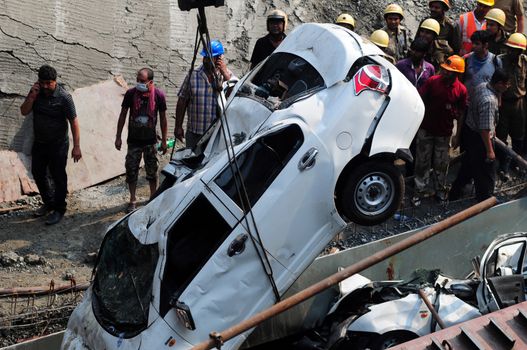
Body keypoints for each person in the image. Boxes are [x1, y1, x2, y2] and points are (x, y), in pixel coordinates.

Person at [20, 65, 82, 225]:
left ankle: (59, 209)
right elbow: (24, 111)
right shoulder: (36, 92)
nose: (45, 86)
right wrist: (32, 96)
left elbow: (74, 121)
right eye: (42, 83)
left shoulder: (64, 97)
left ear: (55, 81)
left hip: (58, 145)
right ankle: (48, 202)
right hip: (40, 143)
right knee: (37, 172)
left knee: (58, 176)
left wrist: (77, 146)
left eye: (49, 83)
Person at [412, 55, 468, 205]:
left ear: (457, 74)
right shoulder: (432, 82)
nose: (445, 72)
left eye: (449, 71)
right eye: (444, 69)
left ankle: (440, 191)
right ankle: (419, 191)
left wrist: (458, 135)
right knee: (422, 162)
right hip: (426, 129)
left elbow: (461, 113)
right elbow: (419, 101)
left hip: (444, 133)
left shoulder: (461, 90)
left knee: (441, 164)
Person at [449, 68, 511, 202]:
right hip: (480, 139)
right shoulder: (489, 101)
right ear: (500, 83)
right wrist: (489, 151)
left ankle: (454, 194)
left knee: (468, 166)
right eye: (507, 84)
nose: (508, 87)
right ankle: (485, 201)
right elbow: (484, 129)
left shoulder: (482, 86)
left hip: (470, 132)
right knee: (487, 173)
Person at [115, 68, 168, 213]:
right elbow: (123, 115)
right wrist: (118, 136)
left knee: (152, 171)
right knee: (131, 171)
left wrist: (164, 140)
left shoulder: (158, 95)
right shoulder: (131, 94)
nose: (139, 83)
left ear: (150, 82)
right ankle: (132, 200)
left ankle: (152, 198)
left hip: (150, 141)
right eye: (138, 79)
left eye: (142, 81)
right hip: (134, 141)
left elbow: (163, 119)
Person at [175, 40, 233, 149]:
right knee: (192, 162)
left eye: (210, 58)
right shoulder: (193, 74)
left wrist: (225, 74)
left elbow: (235, 98)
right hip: (195, 133)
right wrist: (178, 126)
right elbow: (182, 100)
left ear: (220, 58)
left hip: (217, 134)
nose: (206, 60)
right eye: (205, 57)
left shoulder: (227, 76)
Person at [496, 33, 527, 176]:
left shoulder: (525, 62)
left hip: (519, 103)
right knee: (501, 136)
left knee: (518, 136)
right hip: (504, 103)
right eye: (510, 48)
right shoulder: (500, 61)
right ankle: (503, 165)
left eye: (515, 50)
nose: (511, 52)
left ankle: (516, 163)